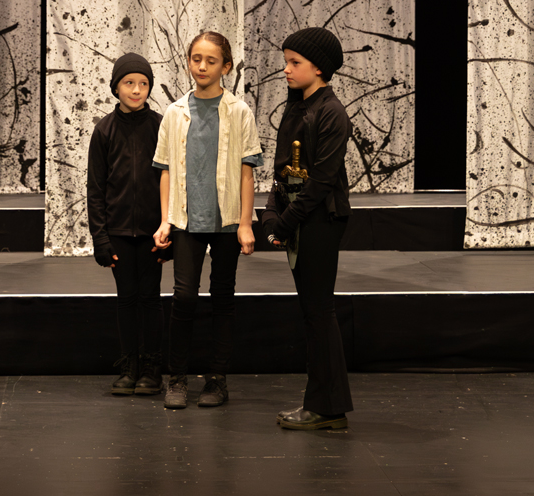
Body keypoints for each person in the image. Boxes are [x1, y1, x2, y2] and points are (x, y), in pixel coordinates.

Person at [152, 31, 263, 410]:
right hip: (186, 219)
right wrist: (166, 220)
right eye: (196, 59)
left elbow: (247, 171)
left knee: (222, 296)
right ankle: (177, 377)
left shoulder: (239, 111)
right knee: (183, 297)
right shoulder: (174, 112)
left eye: (211, 61)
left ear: (226, 67)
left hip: (227, 220)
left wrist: (245, 223)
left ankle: (217, 378)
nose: (201, 66)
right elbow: (165, 169)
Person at [262, 27, 354, 431]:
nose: (286, 69)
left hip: (320, 219)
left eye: (294, 62)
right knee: (313, 313)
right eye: (286, 61)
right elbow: (283, 170)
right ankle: (324, 404)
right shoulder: (298, 106)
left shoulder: (331, 112)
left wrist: (283, 223)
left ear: (319, 67)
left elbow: (321, 182)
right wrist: (271, 212)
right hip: (302, 217)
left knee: (319, 312)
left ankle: (327, 407)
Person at [87, 51, 165, 397]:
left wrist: (171, 229)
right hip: (118, 232)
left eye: (143, 83)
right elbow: (96, 188)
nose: (136, 90)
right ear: (116, 87)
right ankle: (129, 366)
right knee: (126, 297)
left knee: (150, 297)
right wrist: (100, 238)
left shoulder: (161, 126)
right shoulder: (104, 130)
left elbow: (174, 181)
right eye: (129, 83)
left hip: (153, 232)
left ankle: (151, 368)